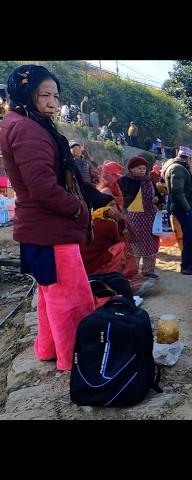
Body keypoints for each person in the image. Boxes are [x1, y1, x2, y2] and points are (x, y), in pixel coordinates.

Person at [0, 64, 95, 371]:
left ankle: (48, 350)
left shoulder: (20, 122)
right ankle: (74, 361)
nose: (54, 102)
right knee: (72, 302)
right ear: (26, 94)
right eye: (45, 95)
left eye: (56, 95)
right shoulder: (26, 129)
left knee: (50, 299)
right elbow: (43, 187)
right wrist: (79, 209)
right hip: (50, 231)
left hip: (40, 230)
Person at [79, 193, 153, 296]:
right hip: (95, 268)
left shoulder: (91, 220)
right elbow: (131, 238)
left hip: (87, 268)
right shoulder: (104, 224)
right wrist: (121, 219)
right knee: (122, 247)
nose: (116, 208)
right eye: (112, 205)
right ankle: (129, 281)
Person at [118, 156, 161, 279]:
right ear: (131, 169)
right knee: (134, 245)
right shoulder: (124, 181)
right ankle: (133, 272)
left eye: (143, 168)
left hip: (150, 218)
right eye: (139, 168)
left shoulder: (148, 180)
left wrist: (157, 199)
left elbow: (158, 195)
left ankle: (148, 271)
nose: (142, 170)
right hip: (133, 219)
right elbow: (120, 198)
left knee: (151, 244)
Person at [161, 146, 192, 275]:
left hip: (187, 209)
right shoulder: (177, 169)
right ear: (188, 158)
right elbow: (177, 192)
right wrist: (187, 209)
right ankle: (187, 266)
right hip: (185, 210)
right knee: (190, 239)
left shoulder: (179, 168)